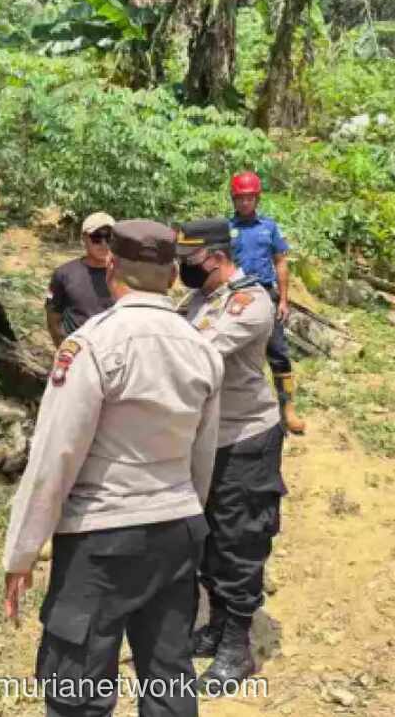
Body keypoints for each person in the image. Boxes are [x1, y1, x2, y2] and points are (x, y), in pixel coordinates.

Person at [4, 220, 224, 717]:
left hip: (101, 538)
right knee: (169, 677)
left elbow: (55, 456)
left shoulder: (93, 345)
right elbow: (202, 457)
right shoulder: (203, 348)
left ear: (110, 269)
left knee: (77, 688)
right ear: (172, 275)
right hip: (176, 528)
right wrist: (186, 513)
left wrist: (22, 550)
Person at [175, 218, 287, 695]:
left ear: (217, 259)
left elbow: (191, 354)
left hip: (245, 440)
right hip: (206, 440)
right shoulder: (200, 298)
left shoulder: (251, 303)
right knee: (210, 539)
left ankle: (237, 648)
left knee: (240, 540)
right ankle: (219, 624)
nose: (184, 271)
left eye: (191, 262)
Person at [227, 172, 303, 434]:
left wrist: (283, 299)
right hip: (236, 295)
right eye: (240, 198)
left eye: (249, 198)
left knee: (278, 352)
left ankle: (288, 408)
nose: (245, 202)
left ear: (257, 198)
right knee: (237, 353)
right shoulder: (227, 229)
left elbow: (281, 262)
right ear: (234, 199)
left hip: (267, 294)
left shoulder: (269, 227)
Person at [45, 212, 116, 347]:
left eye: (109, 237)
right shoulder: (64, 274)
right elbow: (53, 318)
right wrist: (63, 351)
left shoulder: (125, 274)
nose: (104, 243)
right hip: (77, 354)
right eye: (96, 238)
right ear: (84, 238)